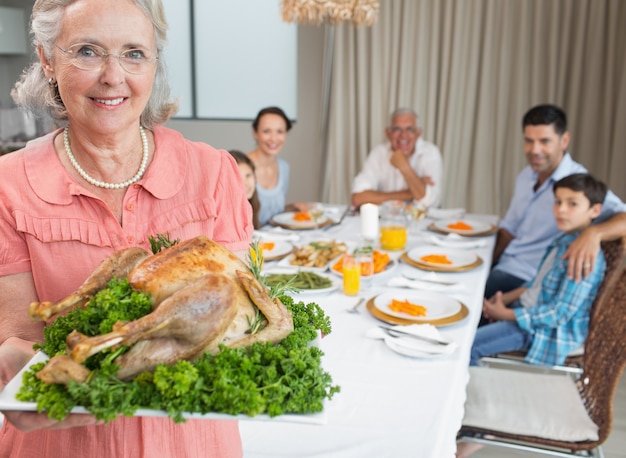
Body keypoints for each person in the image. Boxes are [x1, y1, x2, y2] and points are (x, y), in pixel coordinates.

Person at [0, 1, 251, 456]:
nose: (113, 76)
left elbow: (238, 313)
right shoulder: (8, 186)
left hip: (191, 442)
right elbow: (15, 333)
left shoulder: (213, 173)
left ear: (154, 63)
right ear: (47, 60)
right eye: (88, 51)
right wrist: (17, 366)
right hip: (64, 442)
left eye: (134, 53)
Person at [484, 104, 626, 301]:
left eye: (544, 141)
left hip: (529, 279)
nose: (535, 150)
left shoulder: (579, 185)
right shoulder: (526, 176)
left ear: (564, 140)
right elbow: (509, 230)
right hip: (504, 265)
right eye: (529, 141)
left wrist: (594, 233)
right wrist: (485, 264)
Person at [471, 173, 607, 367]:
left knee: (469, 346)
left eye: (572, 204)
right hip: (527, 311)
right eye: (558, 202)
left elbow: (558, 313)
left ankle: (479, 395)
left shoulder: (583, 257)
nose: (561, 210)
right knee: (468, 324)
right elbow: (537, 284)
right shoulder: (563, 241)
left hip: (542, 331)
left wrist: (506, 314)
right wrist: (503, 300)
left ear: (595, 210)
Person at [351, 108, 443, 209]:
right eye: (397, 129)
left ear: (418, 133)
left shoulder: (430, 152)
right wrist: (409, 193)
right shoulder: (378, 152)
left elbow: (429, 202)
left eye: (410, 129)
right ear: (388, 133)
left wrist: (404, 166)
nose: (403, 135)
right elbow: (358, 198)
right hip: (386, 221)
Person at [247, 106, 293, 226]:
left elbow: (276, 214)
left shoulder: (284, 167)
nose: (273, 138)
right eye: (266, 131)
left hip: (277, 241)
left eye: (280, 131)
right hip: (251, 242)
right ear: (255, 133)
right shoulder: (242, 168)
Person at [229, 150, 261, 229]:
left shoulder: (253, 204)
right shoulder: (229, 215)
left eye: (248, 175)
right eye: (238, 178)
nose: (245, 183)